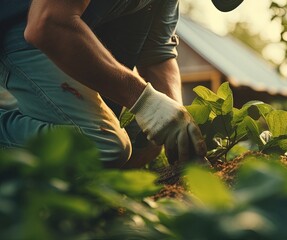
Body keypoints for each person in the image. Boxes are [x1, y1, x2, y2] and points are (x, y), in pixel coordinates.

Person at [0, 0, 244, 167]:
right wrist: (146, 103)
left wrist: (176, 125)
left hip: (55, 31)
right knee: (103, 145)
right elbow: (46, 23)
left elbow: (158, 55)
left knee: (142, 144)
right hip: (22, 26)